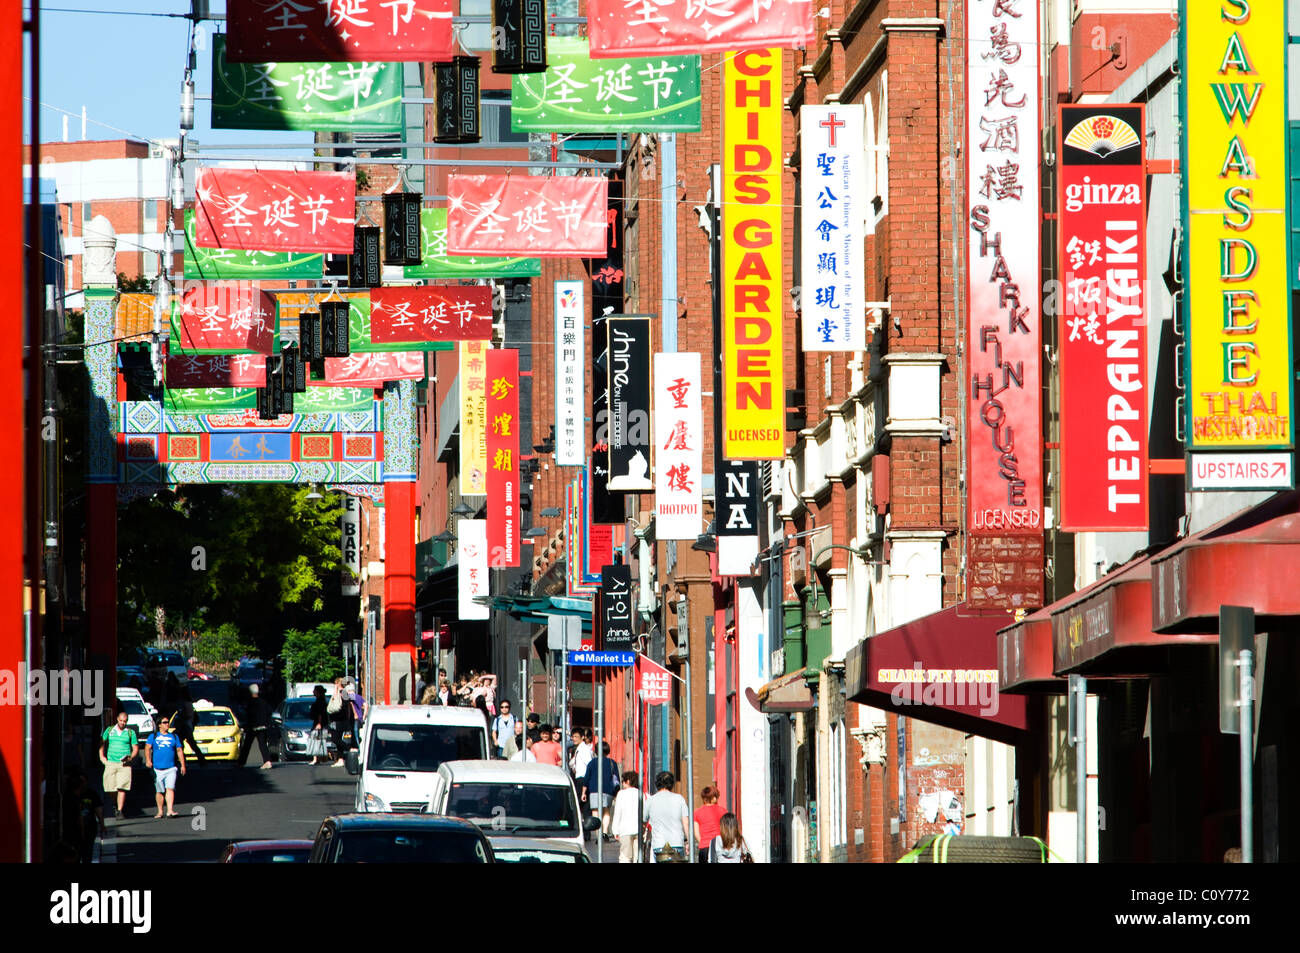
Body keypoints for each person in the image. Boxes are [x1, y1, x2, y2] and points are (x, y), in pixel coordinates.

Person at [99, 709, 139, 819]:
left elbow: (135, 748)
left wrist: (131, 757)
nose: (122, 723)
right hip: (111, 762)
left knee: (122, 787)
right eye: (121, 720)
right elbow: (102, 743)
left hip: (124, 764)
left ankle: (119, 810)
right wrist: (102, 756)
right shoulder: (109, 730)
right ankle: (115, 804)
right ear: (117, 719)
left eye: (125, 721)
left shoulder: (130, 732)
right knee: (110, 788)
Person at [144, 716, 187, 818]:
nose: (167, 724)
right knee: (159, 791)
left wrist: (183, 765)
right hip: (158, 769)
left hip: (171, 768)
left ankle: (170, 810)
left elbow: (179, 750)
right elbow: (147, 748)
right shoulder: (153, 736)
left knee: (170, 788)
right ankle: (160, 811)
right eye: (164, 722)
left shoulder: (174, 737)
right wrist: (148, 760)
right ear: (159, 725)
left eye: (168, 722)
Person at [646, 771, 690, 863]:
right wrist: (689, 842)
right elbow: (686, 822)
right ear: (672, 784)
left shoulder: (651, 800)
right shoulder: (679, 798)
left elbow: (643, 821)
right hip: (677, 843)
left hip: (659, 845)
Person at [581, 741, 620, 841]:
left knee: (595, 812)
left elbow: (586, 778)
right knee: (606, 811)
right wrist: (616, 793)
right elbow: (616, 779)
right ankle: (605, 832)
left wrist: (583, 792)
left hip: (594, 790)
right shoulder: (612, 763)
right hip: (608, 790)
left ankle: (598, 834)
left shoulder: (592, 763)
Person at [238, 683, 274, 769]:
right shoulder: (263, 702)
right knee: (262, 744)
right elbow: (269, 712)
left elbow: (247, 715)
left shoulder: (250, 703)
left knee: (247, 745)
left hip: (252, 726)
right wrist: (266, 722)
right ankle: (267, 761)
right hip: (262, 726)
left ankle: (241, 762)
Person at [612, 771, 642, 863]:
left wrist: (615, 830)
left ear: (628, 781)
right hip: (639, 829)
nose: (622, 783)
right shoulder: (641, 793)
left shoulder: (621, 794)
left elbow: (618, 813)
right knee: (638, 857)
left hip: (625, 830)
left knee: (625, 857)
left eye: (623, 781)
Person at [170, 687, 205, 765]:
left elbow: (185, 715)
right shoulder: (188, 703)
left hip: (185, 726)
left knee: (182, 743)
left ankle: (181, 759)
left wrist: (180, 718)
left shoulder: (185, 704)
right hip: (187, 726)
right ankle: (200, 760)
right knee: (188, 743)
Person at [694, 785, 726, 863]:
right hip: (719, 846)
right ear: (714, 798)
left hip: (704, 846)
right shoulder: (723, 811)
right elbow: (726, 830)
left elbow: (696, 833)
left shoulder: (697, 812)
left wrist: (703, 841)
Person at [308, 684, 329, 765]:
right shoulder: (321, 700)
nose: (313, 692)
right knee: (319, 740)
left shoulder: (320, 701)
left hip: (318, 723)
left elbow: (320, 713)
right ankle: (319, 758)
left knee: (316, 740)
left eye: (314, 690)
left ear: (317, 692)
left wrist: (319, 723)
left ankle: (316, 758)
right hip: (319, 723)